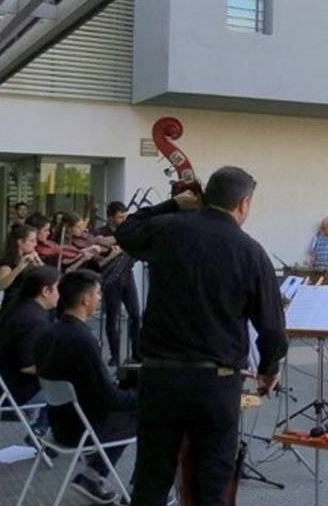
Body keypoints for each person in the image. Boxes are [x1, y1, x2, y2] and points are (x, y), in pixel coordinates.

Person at [116, 166, 288, 504]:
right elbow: (271, 325)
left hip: (160, 378)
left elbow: (126, 230)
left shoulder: (168, 230)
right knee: (212, 483)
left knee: (151, 479)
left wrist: (173, 205)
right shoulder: (250, 251)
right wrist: (269, 368)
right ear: (244, 203)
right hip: (217, 384)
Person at [35, 270, 138, 504]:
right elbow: (109, 398)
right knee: (149, 413)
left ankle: (92, 475)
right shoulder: (82, 339)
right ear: (86, 299)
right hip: (81, 428)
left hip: (59, 422)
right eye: (99, 293)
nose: (101, 298)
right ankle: (139, 490)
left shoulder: (49, 332)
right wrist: (142, 396)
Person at [0, 265, 59, 437]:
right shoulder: (34, 320)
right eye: (58, 288)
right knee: (77, 387)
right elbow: (27, 366)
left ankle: (45, 428)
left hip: (0, 384)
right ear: (46, 291)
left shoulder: (17, 306)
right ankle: (49, 432)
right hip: (15, 391)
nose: (60, 294)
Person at [97, 201, 141, 366]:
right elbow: (101, 244)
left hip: (127, 278)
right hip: (111, 279)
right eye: (119, 217)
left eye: (124, 216)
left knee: (135, 315)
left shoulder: (129, 230)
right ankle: (115, 355)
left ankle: (137, 353)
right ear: (110, 218)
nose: (123, 219)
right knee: (112, 319)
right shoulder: (102, 232)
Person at [0, 224, 43, 313]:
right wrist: (19, 267)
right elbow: (0, 285)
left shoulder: (29, 258)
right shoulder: (8, 260)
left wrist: (39, 262)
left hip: (28, 301)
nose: (35, 244)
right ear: (20, 242)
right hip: (14, 304)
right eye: (32, 241)